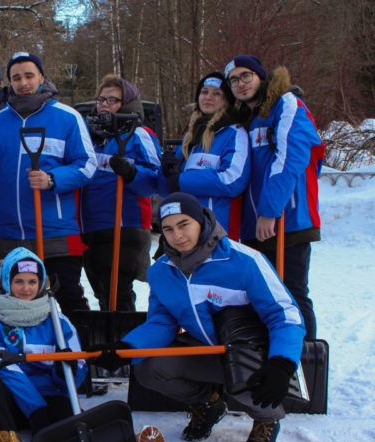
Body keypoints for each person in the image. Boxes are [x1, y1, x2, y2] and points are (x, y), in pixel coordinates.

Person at [96, 193, 305, 442]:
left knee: (242, 373)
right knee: (150, 368)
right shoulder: (162, 271)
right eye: (168, 229)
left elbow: (284, 315)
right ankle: (209, 404)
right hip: (208, 350)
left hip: (252, 354)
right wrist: (128, 349)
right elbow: (162, 323)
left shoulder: (244, 261)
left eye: (184, 225)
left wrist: (281, 363)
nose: (178, 236)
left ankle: (266, 418)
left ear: (201, 221)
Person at [0, 52, 97, 318]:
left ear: (41, 77)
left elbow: (87, 164)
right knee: (11, 307)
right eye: (16, 78)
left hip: (54, 233)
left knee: (67, 301)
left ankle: (75, 356)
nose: (23, 82)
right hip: (7, 235)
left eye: (29, 75)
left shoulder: (67, 117)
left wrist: (53, 179)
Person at [225, 55, 324, 340]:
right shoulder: (248, 118)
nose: (240, 84)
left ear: (261, 77)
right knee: (265, 296)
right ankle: (273, 361)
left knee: (292, 293)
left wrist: (270, 210)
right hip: (255, 225)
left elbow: (289, 160)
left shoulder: (286, 104)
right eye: (234, 80)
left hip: (288, 219)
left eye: (246, 76)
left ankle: (305, 362)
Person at [0, 247, 87, 442]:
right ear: (7, 282)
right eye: (19, 281)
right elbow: (0, 365)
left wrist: (63, 372)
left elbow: (77, 366)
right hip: (13, 402)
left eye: (32, 282)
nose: (26, 288)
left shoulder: (58, 320)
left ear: (41, 284)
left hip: (50, 396)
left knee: (71, 426)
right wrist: (35, 409)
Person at [79, 74, 161, 312]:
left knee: (117, 292)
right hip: (89, 225)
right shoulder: (89, 137)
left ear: (126, 104)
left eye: (112, 100)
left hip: (124, 225)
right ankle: (107, 340)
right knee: (102, 291)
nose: (104, 105)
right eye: (101, 99)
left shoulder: (138, 134)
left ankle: (123, 342)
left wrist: (132, 173)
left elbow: (155, 179)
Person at [159, 71, 250, 240]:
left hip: (217, 232)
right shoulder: (190, 137)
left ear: (227, 100)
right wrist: (165, 174)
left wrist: (181, 180)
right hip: (184, 235)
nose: (208, 97)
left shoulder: (234, 133)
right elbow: (169, 190)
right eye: (204, 92)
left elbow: (232, 180)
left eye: (217, 94)